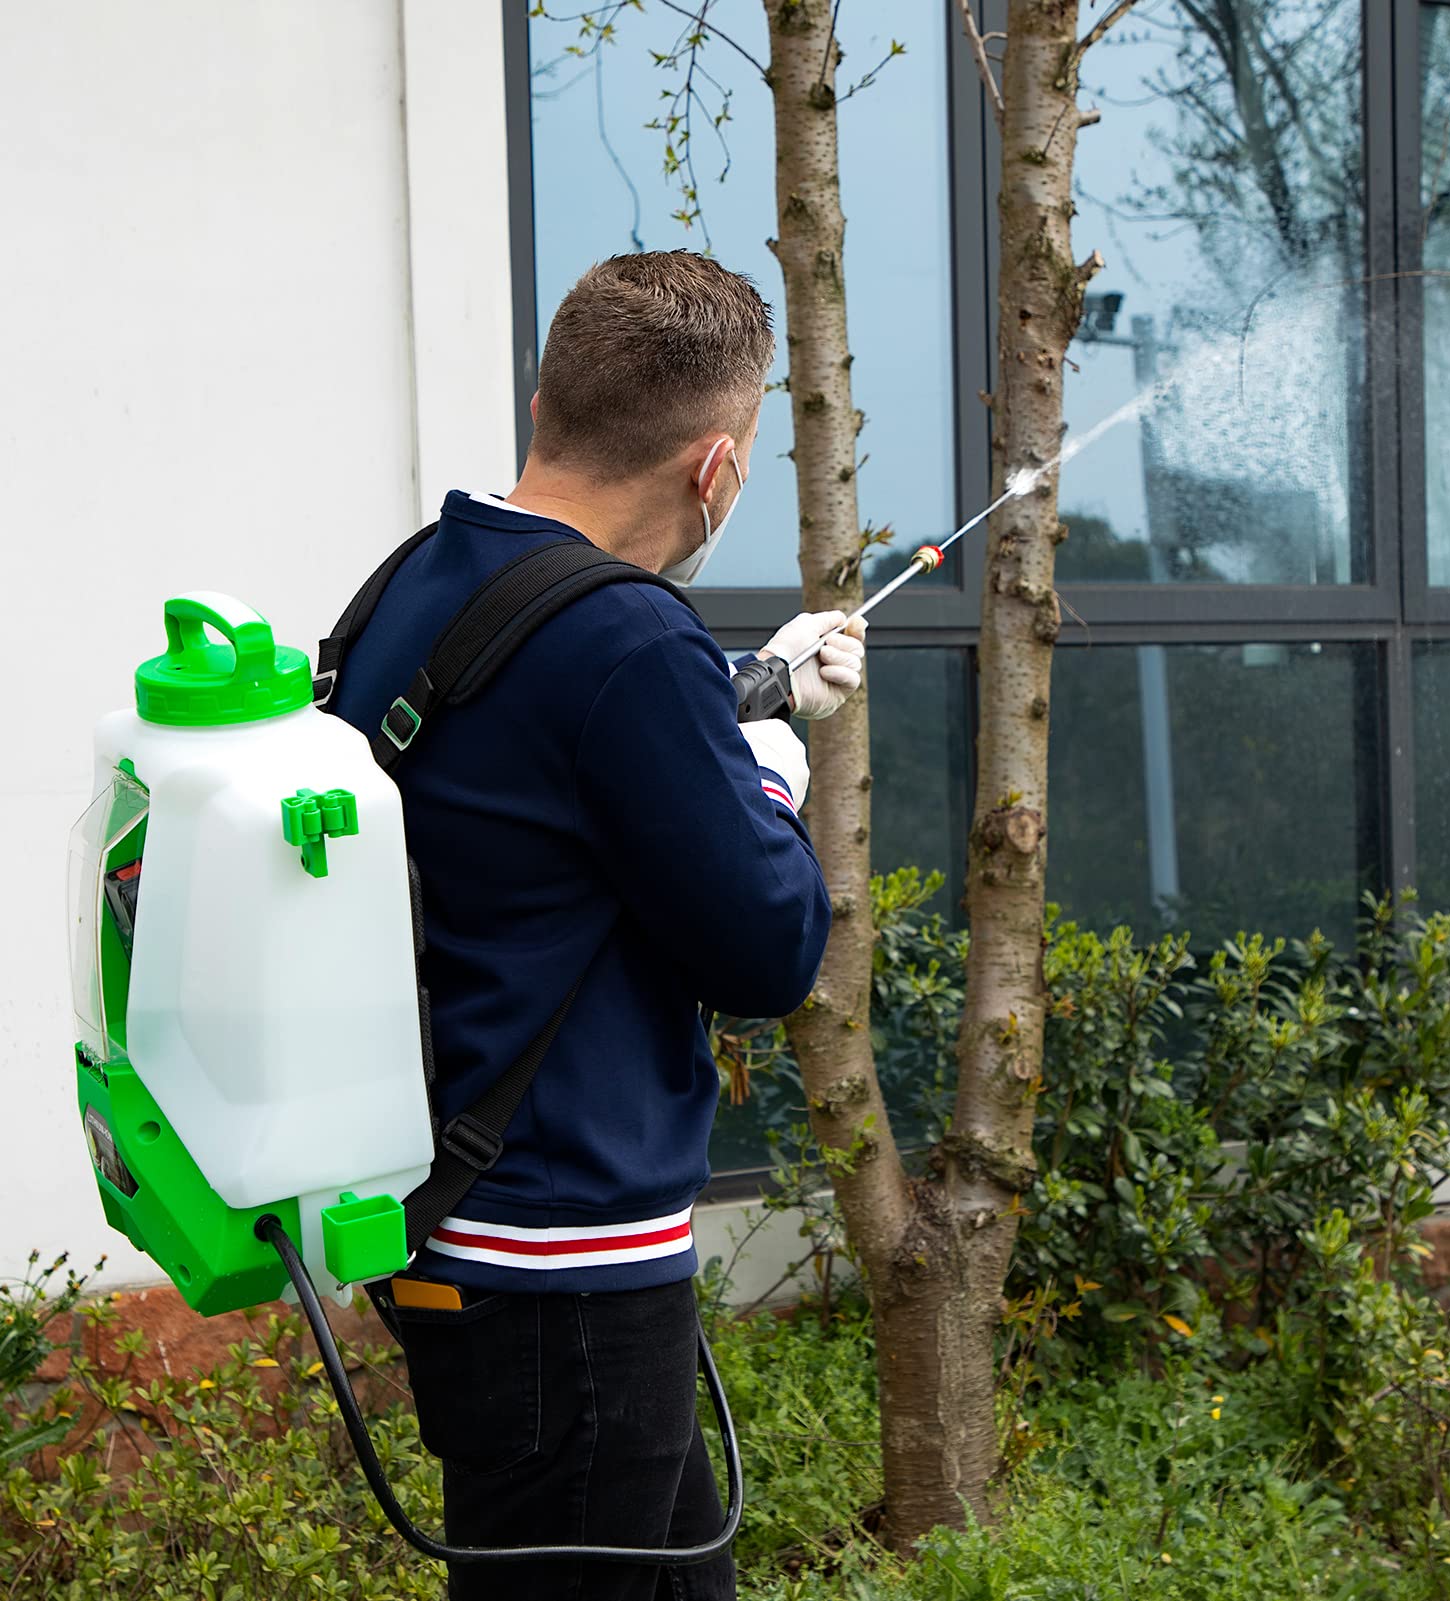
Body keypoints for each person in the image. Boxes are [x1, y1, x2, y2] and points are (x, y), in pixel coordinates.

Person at [330, 251, 866, 1600]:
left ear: (543, 403)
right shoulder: (628, 640)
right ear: (716, 468)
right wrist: (770, 770)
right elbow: (765, 951)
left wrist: (737, 701)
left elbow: (536, 811)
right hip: (563, 1268)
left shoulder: (417, 577)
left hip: (460, 1216)